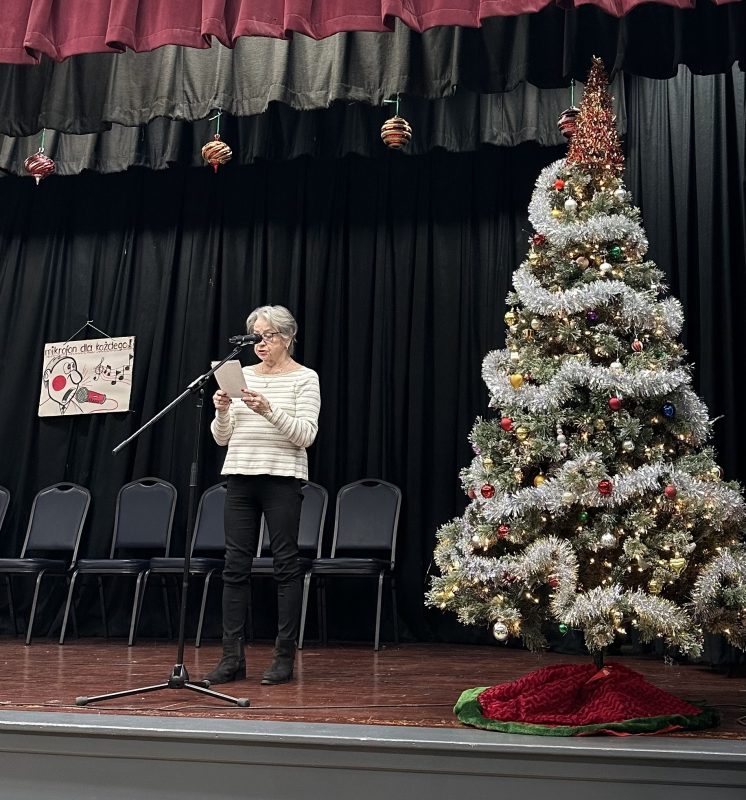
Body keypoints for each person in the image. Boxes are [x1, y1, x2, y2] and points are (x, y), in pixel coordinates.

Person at [204, 305, 320, 686]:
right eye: (256, 336)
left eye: (268, 336)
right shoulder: (242, 376)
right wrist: (222, 411)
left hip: (282, 480)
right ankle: (231, 659)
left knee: (285, 566)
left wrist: (269, 410)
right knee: (234, 567)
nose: (260, 343)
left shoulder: (305, 378)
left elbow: (306, 435)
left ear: (287, 337)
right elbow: (222, 438)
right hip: (240, 477)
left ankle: (283, 658)